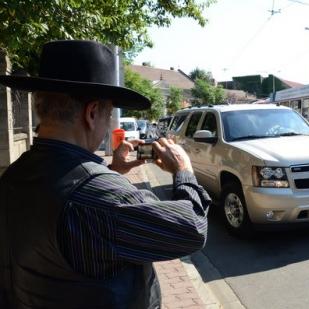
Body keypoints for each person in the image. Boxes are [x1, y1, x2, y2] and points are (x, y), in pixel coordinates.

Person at [0, 40, 211, 309]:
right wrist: (183, 170)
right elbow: (193, 228)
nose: (108, 122)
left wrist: (111, 171)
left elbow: (70, 209)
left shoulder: (14, 176)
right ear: (92, 113)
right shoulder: (101, 197)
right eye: (109, 113)